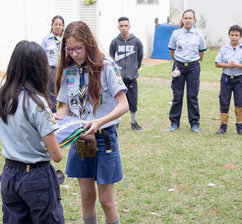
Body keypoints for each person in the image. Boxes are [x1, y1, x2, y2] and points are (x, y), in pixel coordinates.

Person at [55, 21, 128, 224]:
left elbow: (123, 104)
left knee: (106, 200)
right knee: (87, 197)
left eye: (78, 48)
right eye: (69, 49)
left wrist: (99, 121)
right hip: (80, 139)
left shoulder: (106, 66)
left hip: (103, 137)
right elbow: (66, 108)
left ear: (89, 43)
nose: (75, 53)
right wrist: (57, 117)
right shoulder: (69, 70)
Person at [0, 40, 64, 223]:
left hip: (9, 174)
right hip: (36, 177)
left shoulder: (3, 98)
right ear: (39, 68)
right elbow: (56, 155)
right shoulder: (37, 103)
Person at [168, 9, 206, 133]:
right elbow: (172, 51)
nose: (188, 20)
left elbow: (201, 52)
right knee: (177, 95)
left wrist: (195, 63)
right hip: (179, 66)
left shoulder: (199, 34)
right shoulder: (176, 34)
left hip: (193, 67)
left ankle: (194, 123)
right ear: (182, 20)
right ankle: (174, 122)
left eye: (190, 18)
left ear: (194, 20)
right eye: (186, 18)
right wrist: (178, 62)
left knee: (192, 96)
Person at [215, 25, 242, 136]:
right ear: (229, 35)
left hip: (239, 78)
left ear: (240, 36)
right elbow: (217, 63)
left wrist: (237, 65)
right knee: (224, 100)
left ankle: (239, 125)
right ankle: (223, 125)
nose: (234, 37)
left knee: (239, 101)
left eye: (236, 35)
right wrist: (227, 65)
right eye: (232, 35)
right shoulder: (224, 48)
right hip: (226, 77)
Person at [109, 17, 143, 131]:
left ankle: (133, 122)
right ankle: (116, 121)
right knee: (116, 101)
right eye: (121, 26)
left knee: (133, 100)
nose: (124, 28)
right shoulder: (114, 42)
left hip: (132, 78)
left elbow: (139, 59)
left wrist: (133, 70)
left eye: (125, 25)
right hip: (118, 79)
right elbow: (111, 59)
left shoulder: (136, 41)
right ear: (118, 27)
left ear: (129, 26)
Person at [41, 15, 64, 112]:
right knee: (51, 90)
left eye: (60, 24)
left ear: (63, 26)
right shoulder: (47, 39)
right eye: (56, 24)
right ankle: (52, 110)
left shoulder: (65, 39)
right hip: (51, 68)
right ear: (52, 25)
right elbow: (42, 54)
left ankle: (65, 110)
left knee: (64, 88)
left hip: (63, 68)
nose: (58, 26)